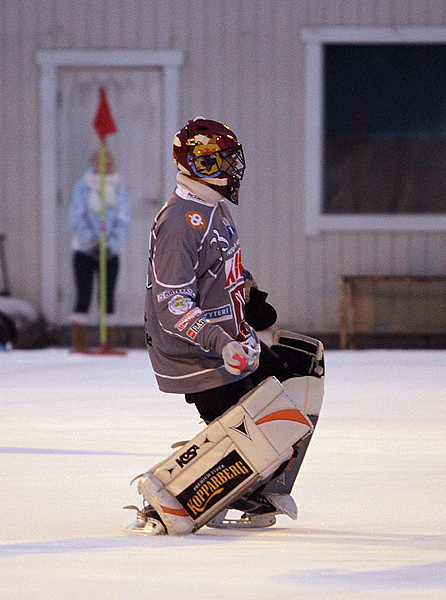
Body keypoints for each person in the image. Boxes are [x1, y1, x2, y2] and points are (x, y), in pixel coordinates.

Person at [130, 117, 324, 535]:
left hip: (229, 341)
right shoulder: (181, 221)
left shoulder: (213, 208)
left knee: (299, 380)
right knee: (264, 411)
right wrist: (220, 342)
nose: (235, 168)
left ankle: (254, 484)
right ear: (201, 162)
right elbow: (173, 303)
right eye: (226, 159)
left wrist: (250, 299)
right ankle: (176, 495)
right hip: (197, 352)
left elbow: (221, 268)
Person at [68, 149, 130, 351]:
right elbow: (77, 217)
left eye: (110, 164)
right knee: (84, 293)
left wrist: (111, 244)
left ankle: (108, 342)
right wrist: (91, 242)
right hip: (85, 251)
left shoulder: (118, 189)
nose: (106, 167)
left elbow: (122, 219)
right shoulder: (83, 188)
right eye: (102, 163)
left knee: (107, 295)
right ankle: (80, 342)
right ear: (93, 164)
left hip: (110, 252)